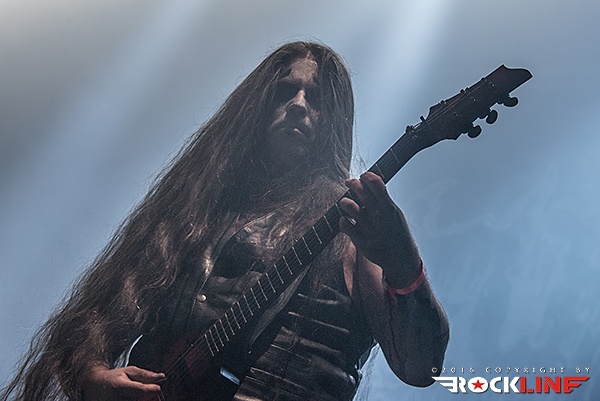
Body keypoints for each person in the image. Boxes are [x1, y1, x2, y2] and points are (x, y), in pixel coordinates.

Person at [2, 41, 449, 401]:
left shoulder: (353, 227)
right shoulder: (194, 215)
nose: (298, 105)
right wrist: (94, 375)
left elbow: (421, 367)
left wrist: (403, 263)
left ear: (334, 121)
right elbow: (95, 321)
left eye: (316, 99)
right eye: (284, 92)